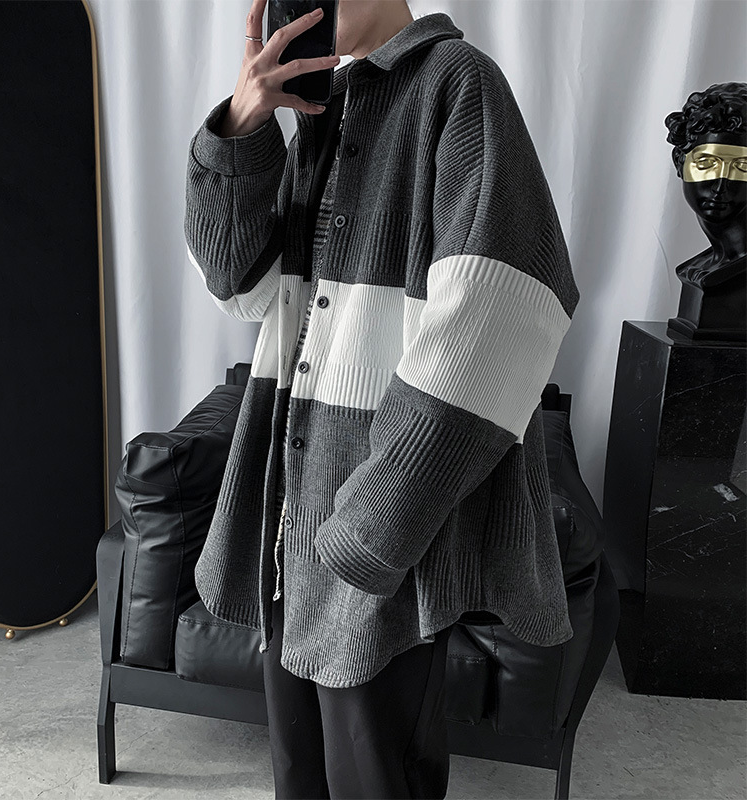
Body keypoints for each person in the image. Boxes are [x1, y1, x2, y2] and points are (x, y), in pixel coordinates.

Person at [185, 1, 581, 797]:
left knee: (374, 778)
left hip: (380, 530)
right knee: (301, 775)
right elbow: (241, 285)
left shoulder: (457, 83)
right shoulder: (326, 111)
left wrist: (374, 521)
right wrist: (242, 127)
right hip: (293, 521)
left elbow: (506, 309)